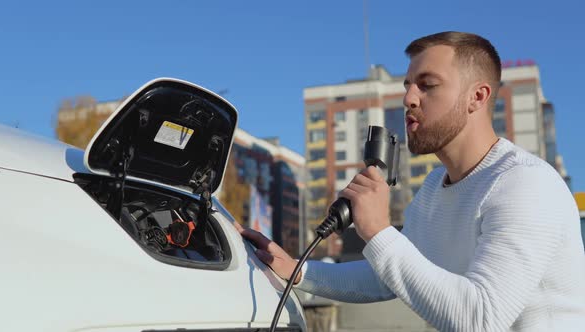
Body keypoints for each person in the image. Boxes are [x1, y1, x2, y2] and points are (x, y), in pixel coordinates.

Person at [236, 31, 585, 331]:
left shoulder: (523, 183)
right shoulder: (435, 187)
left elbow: (482, 319)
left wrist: (378, 230)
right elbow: (386, 275)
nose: (408, 99)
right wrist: (296, 270)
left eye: (427, 85)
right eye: (407, 86)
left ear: (477, 97)